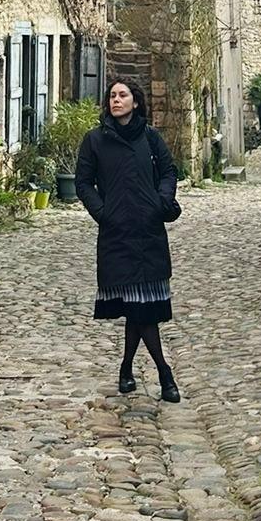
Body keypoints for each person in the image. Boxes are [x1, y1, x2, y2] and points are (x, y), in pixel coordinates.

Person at [76, 76, 182, 402]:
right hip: (117, 235)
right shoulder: (95, 140)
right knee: (140, 308)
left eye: (123, 95)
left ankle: (126, 369)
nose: (116, 100)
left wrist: (161, 201)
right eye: (112, 96)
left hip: (149, 232)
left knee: (141, 308)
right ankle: (165, 374)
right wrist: (104, 213)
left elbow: (168, 171)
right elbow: (83, 183)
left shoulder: (150, 138)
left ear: (135, 101)